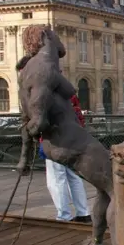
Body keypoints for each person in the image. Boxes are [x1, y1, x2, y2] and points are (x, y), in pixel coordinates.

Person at [40, 94, 92, 223]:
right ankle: (83, 213)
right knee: (74, 178)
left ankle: (64, 216)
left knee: (56, 180)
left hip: (55, 142)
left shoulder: (47, 96)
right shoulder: (69, 94)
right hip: (73, 141)